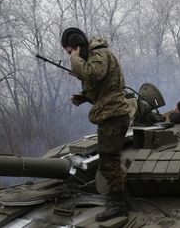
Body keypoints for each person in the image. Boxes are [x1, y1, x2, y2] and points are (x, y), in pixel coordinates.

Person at [61, 28, 130, 221]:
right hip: (110, 113)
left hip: (113, 114)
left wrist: (76, 61)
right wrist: (84, 97)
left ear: (77, 46)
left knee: (109, 161)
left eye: (71, 51)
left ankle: (118, 205)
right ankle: (122, 200)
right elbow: (102, 87)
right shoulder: (96, 55)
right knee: (111, 159)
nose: (71, 56)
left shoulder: (99, 53)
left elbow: (94, 73)